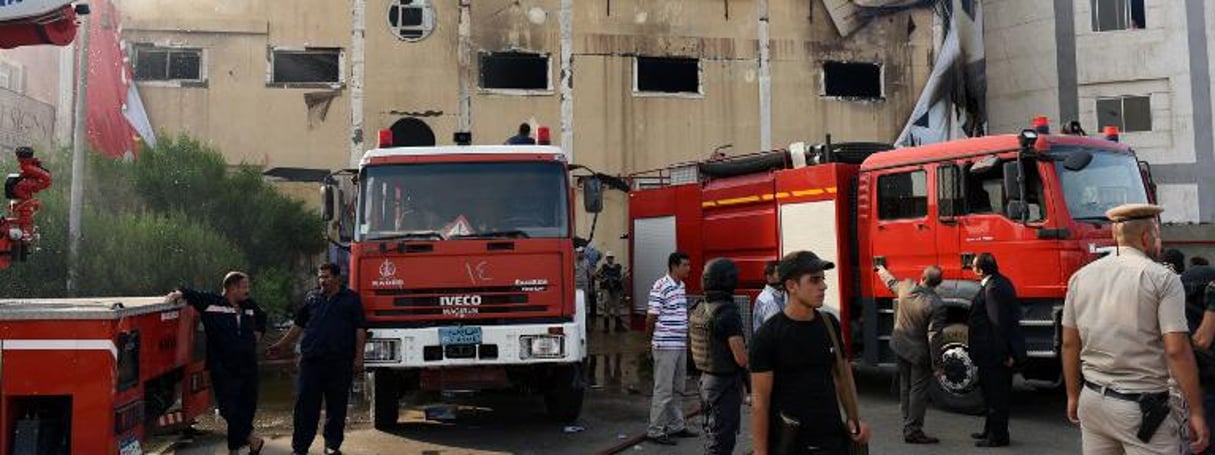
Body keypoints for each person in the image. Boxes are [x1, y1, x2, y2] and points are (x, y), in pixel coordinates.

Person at [1062, 203, 1209, 454]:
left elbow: (1069, 343)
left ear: (1114, 236)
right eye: (1157, 235)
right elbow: (1176, 350)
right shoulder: (1163, 279)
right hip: (1142, 408)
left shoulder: (1081, 277)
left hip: (1093, 400)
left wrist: (1073, 395)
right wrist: (1195, 411)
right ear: (1146, 237)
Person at [750, 251, 871, 454]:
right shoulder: (767, 337)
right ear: (791, 286)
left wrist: (853, 418)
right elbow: (760, 402)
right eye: (814, 280)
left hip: (833, 441)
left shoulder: (829, 324)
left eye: (823, 279)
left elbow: (843, 375)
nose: (823, 286)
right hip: (791, 444)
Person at [268, 263, 367, 455]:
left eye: (327, 277)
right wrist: (281, 345)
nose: (323, 281)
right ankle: (300, 448)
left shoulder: (351, 299)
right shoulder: (312, 298)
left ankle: (332, 445)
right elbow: (298, 325)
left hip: (340, 362)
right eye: (320, 277)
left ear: (338, 278)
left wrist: (359, 358)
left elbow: (360, 330)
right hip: (311, 362)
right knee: (305, 406)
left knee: (337, 406)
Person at [167, 272, 268, 455]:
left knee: (245, 409)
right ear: (232, 287)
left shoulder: (249, 306)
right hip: (223, 368)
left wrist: (258, 334)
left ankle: (233, 450)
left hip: (248, 366)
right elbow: (188, 292)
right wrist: (178, 294)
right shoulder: (211, 302)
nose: (248, 291)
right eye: (244, 287)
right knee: (228, 408)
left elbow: (262, 318)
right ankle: (253, 439)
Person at [876, 264, 945, 444]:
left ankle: (908, 422)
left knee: (905, 386)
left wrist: (881, 270)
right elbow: (934, 337)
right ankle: (913, 430)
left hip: (900, 347)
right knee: (918, 391)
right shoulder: (936, 305)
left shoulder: (906, 287)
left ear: (922, 277)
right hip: (919, 353)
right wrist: (937, 365)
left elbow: (890, 283)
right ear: (939, 284)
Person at [689, 258, 748, 455]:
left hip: (706, 381)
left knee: (714, 436)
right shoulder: (726, 310)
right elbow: (740, 357)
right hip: (724, 384)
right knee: (722, 442)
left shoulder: (699, 307)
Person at [967, 252, 1025, 447]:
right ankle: (989, 430)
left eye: (973, 266)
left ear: (980, 270)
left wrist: (1005, 354)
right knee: (990, 393)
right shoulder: (1001, 282)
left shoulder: (993, 289)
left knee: (996, 396)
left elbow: (997, 324)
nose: (971, 268)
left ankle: (998, 436)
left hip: (993, 353)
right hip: (991, 352)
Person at [645, 251, 698, 445]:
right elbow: (651, 317)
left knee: (678, 389)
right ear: (674, 266)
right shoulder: (660, 286)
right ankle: (655, 430)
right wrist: (649, 341)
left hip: (679, 345)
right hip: (665, 345)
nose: (688, 269)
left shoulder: (681, 286)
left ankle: (676, 425)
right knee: (663, 389)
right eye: (685, 265)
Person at [751, 260, 786, 333]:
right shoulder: (770, 302)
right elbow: (774, 333)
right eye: (779, 274)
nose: (783, 277)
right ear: (769, 277)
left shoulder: (766, 296)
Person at [598, 252, 627, 333]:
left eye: (611, 257)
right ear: (606, 258)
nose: (610, 259)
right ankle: (606, 327)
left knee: (617, 307)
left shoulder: (617, 267)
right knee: (606, 307)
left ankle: (617, 326)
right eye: (609, 257)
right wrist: (603, 280)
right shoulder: (604, 267)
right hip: (607, 289)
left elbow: (621, 277)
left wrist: (619, 279)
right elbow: (596, 275)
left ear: (613, 258)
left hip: (616, 289)